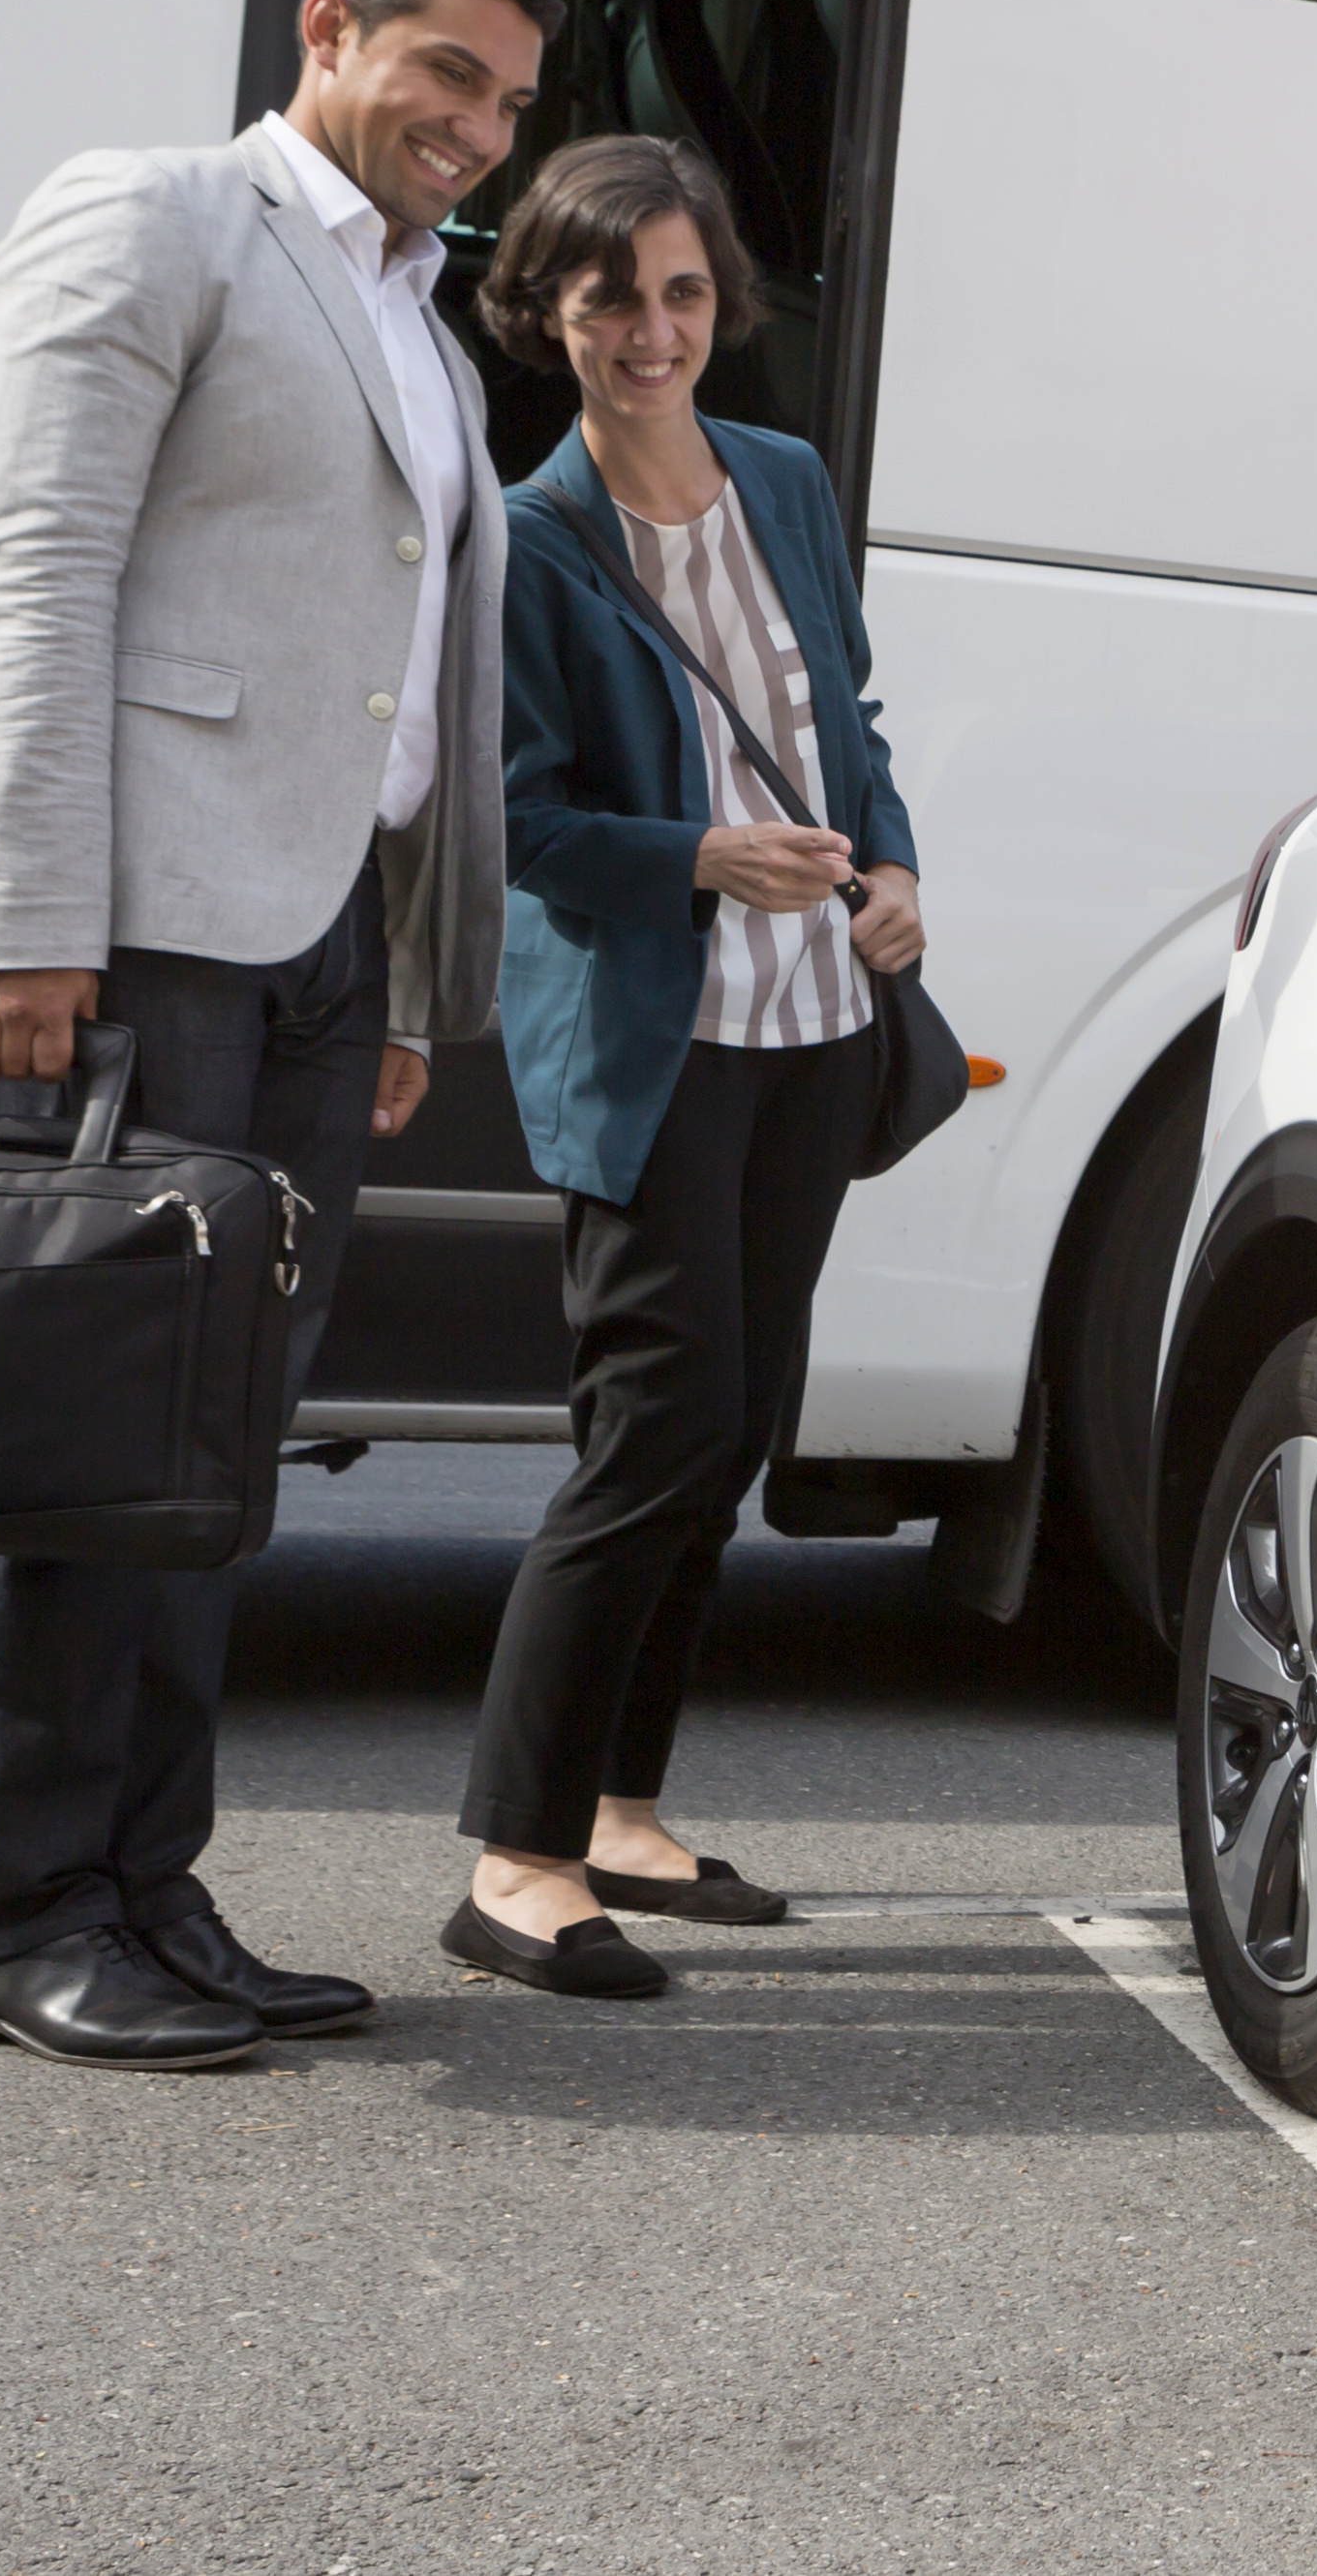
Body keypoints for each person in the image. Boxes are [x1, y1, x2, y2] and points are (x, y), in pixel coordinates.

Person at [0, 0, 555, 2069]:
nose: (478, 127)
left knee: (222, 1446)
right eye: (447, 70)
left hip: (319, 949)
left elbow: (405, 671)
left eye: (512, 101)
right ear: (328, 27)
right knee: (91, 1432)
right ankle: (22, 1914)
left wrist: (402, 989)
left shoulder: (431, 328)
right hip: (137, 928)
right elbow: (32, 563)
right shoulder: (159, 215)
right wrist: (21, 924)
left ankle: (149, 1891)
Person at [443, 136, 925, 1999]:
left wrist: (891, 867)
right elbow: (517, 819)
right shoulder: (528, 538)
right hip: (659, 1046)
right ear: (543, 314)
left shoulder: (783, 479)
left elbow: (845, 717)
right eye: (610, 298)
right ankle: (513, 1860)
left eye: (683, 292)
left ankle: (623, 1812)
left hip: (812, 1034)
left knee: (725, 1438)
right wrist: (702, 858)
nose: (652, 331)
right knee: (649, 1441)